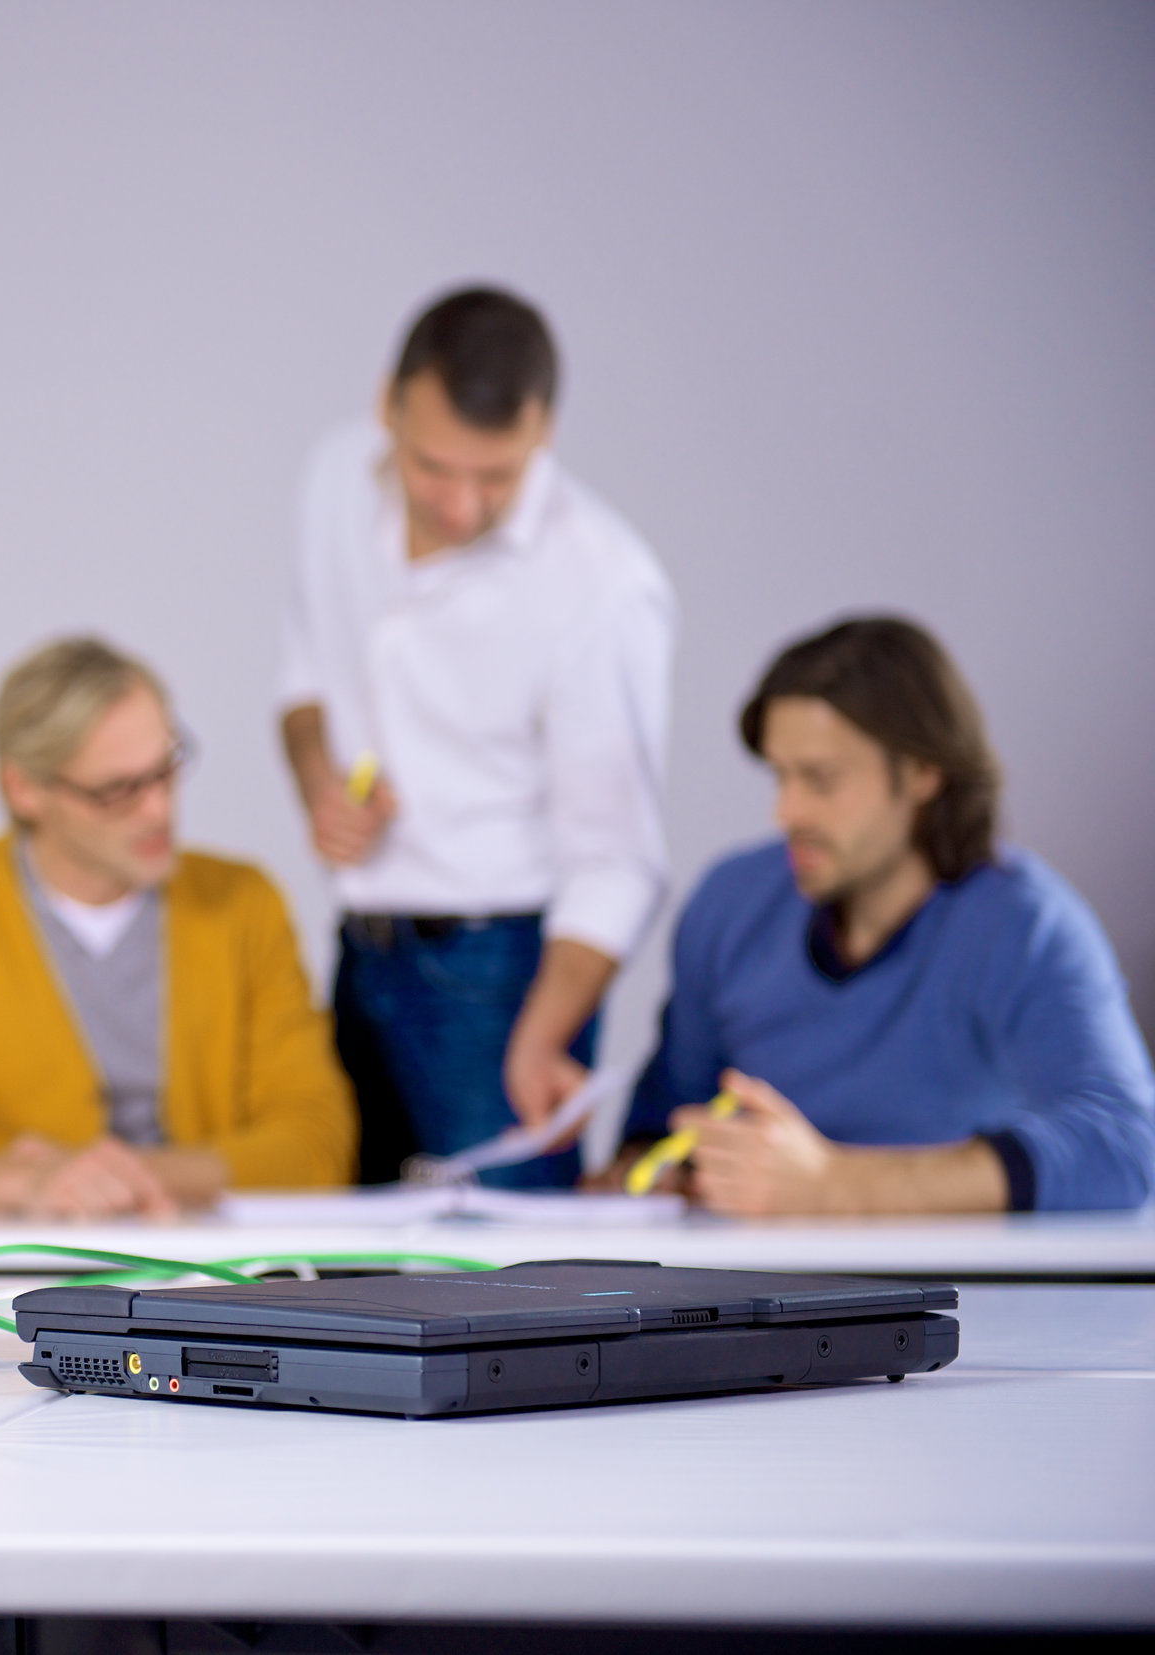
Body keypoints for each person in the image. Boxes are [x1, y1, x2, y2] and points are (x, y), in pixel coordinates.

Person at [278, 286, 674, 1185]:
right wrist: (318, 783)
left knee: (507, 1263)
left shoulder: (605, 585)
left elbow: (619, 861)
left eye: (496, 476)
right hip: (360, 946)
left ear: (545, 431)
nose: (460, 505)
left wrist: (541, 1036)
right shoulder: (334, 476)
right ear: (386, 406)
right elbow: (303, 683)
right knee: (339, 1250)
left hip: (503, 977)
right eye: (433, 468)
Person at [617, 617, 1155, 1213]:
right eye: (780, 777)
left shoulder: (1024, 925)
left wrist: (835, 1184)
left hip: (958, 1269)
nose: (787, 812)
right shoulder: (730, 903)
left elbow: (1125, 1146)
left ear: (923, 772)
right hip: (754, 1265)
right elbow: (662, 1125)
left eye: (821, 780)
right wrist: (657, 1169)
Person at [0, 637, 358, 1217]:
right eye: (117, 791)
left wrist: (122, 1179)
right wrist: (23, 1184)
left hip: (205, 1256)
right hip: (13, 1258)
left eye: (167, 769)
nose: (159, 810)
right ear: (23, 789)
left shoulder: (244, 903)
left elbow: (316, 1142)